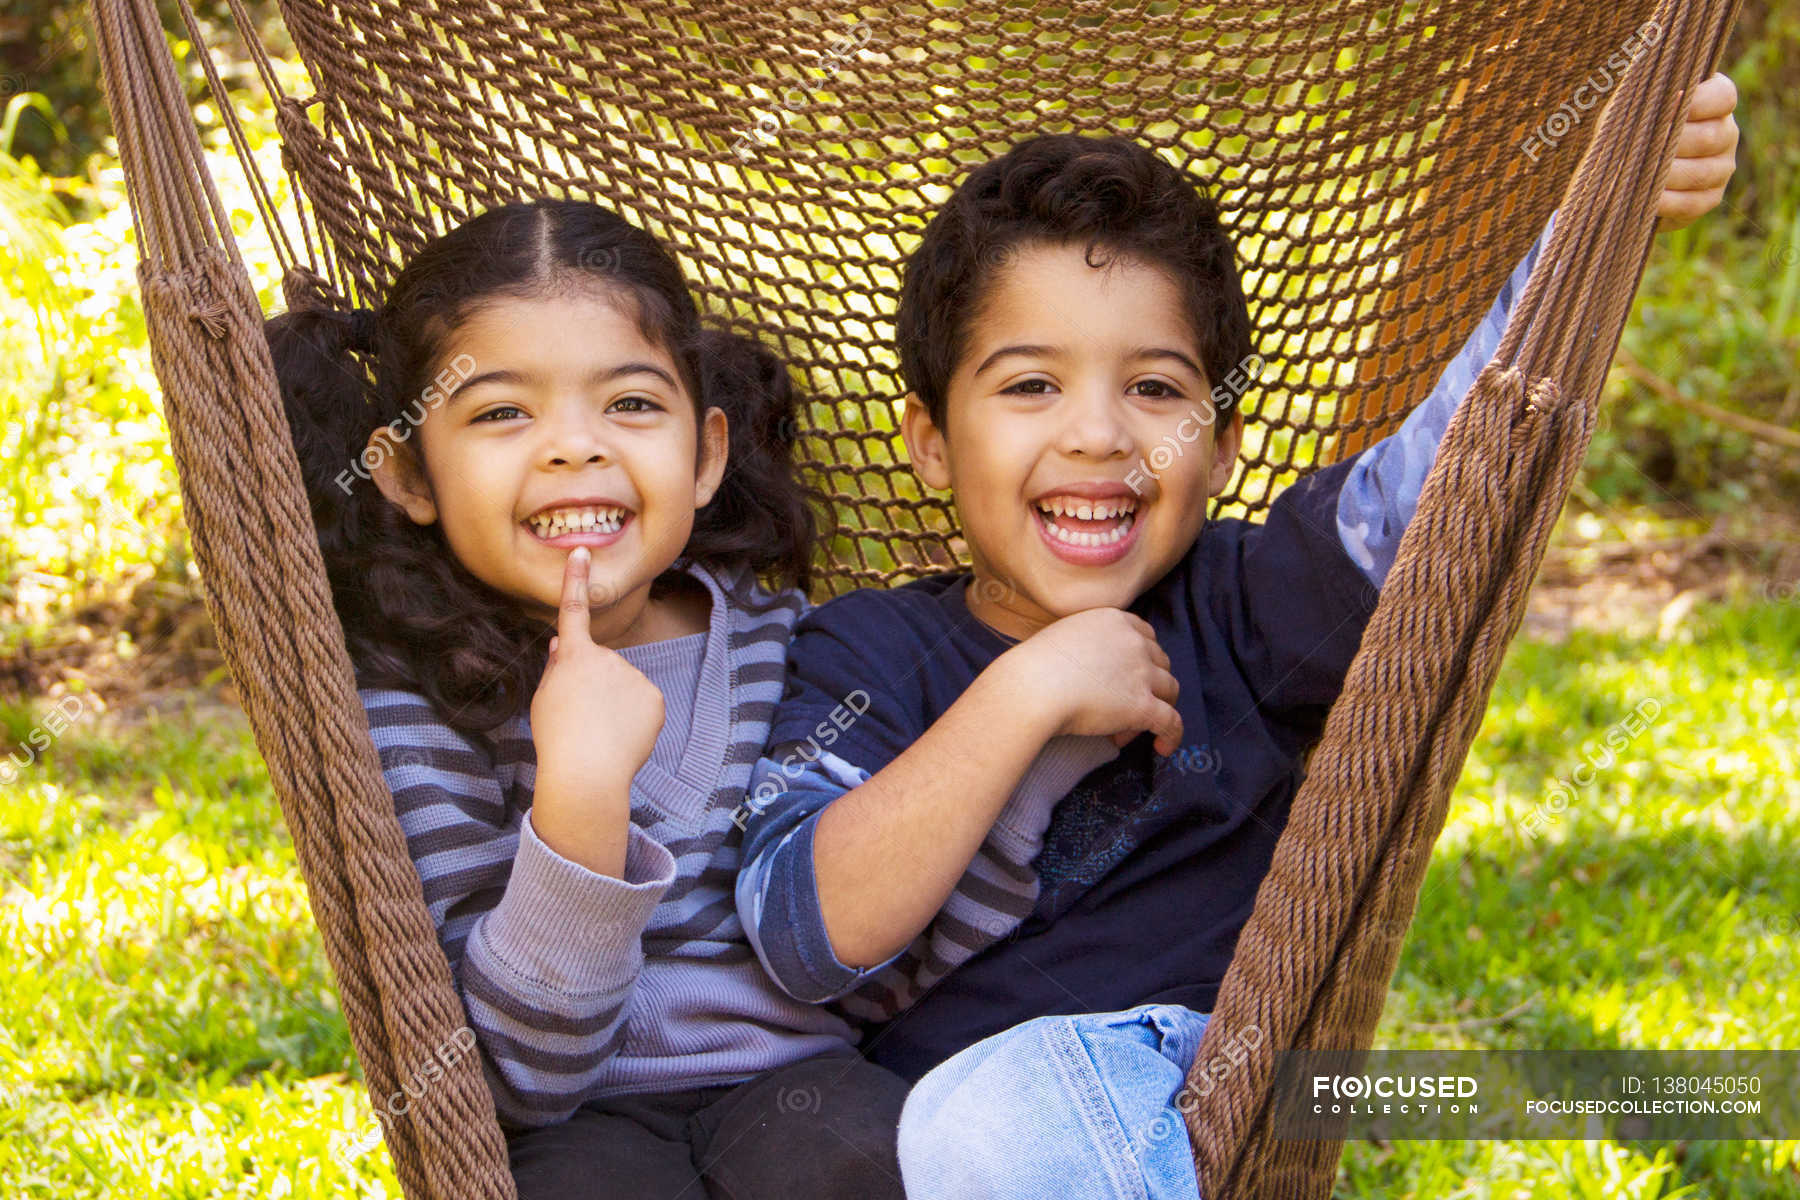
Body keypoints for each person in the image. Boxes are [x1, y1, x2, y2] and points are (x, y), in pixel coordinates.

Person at [734, 74, 1740, 1199]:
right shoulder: (862, 655)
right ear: (927, 441)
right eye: (1029, 385)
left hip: (1173, 1094)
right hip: (908, 1133)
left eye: (1158, 389)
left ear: (1219, 449)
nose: (1099, 434)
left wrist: (1594, 226)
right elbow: (803, 936)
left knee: (993, 1117)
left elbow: (1442, 480)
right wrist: (1025, 698)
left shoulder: (1254, 609)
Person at [267, 198, 909, 1200]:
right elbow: (528, 1071)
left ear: (703, 456)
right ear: (407, 474)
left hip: (806, 1083)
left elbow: (896, 969)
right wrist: (579, 792)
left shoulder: (800, 651)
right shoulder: (417, 712)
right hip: (570, 1123)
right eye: (500, 413)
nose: (575, 448)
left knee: (866, 1159)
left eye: (630, 405)